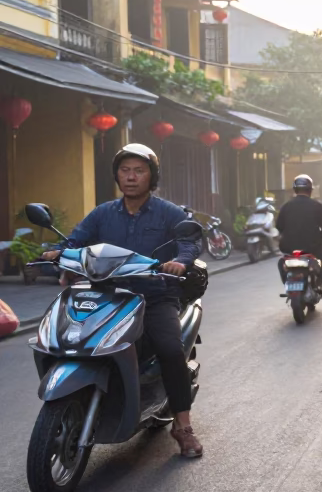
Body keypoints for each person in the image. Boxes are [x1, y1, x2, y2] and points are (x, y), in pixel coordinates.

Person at [41, 144, 205, 457]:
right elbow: (76, 240)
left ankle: (182, 426)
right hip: (109, 294)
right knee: (74, 338)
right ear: (117, 175)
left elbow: (189, 243)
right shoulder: (103, 213)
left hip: (155, 297)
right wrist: (58, 253)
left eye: (139, 171)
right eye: (125, 170)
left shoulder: (168, 213)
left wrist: (180, 262)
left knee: (171, 350)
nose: (131, 177)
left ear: (151, 176)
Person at [276, 175, 322, 295]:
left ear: (295, 190)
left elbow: (279, 226)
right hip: (313, 246)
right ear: (310, 190)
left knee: (282, 261)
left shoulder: (286, 206)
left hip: (289, 246)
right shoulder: (317, 206)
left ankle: (287, 284)